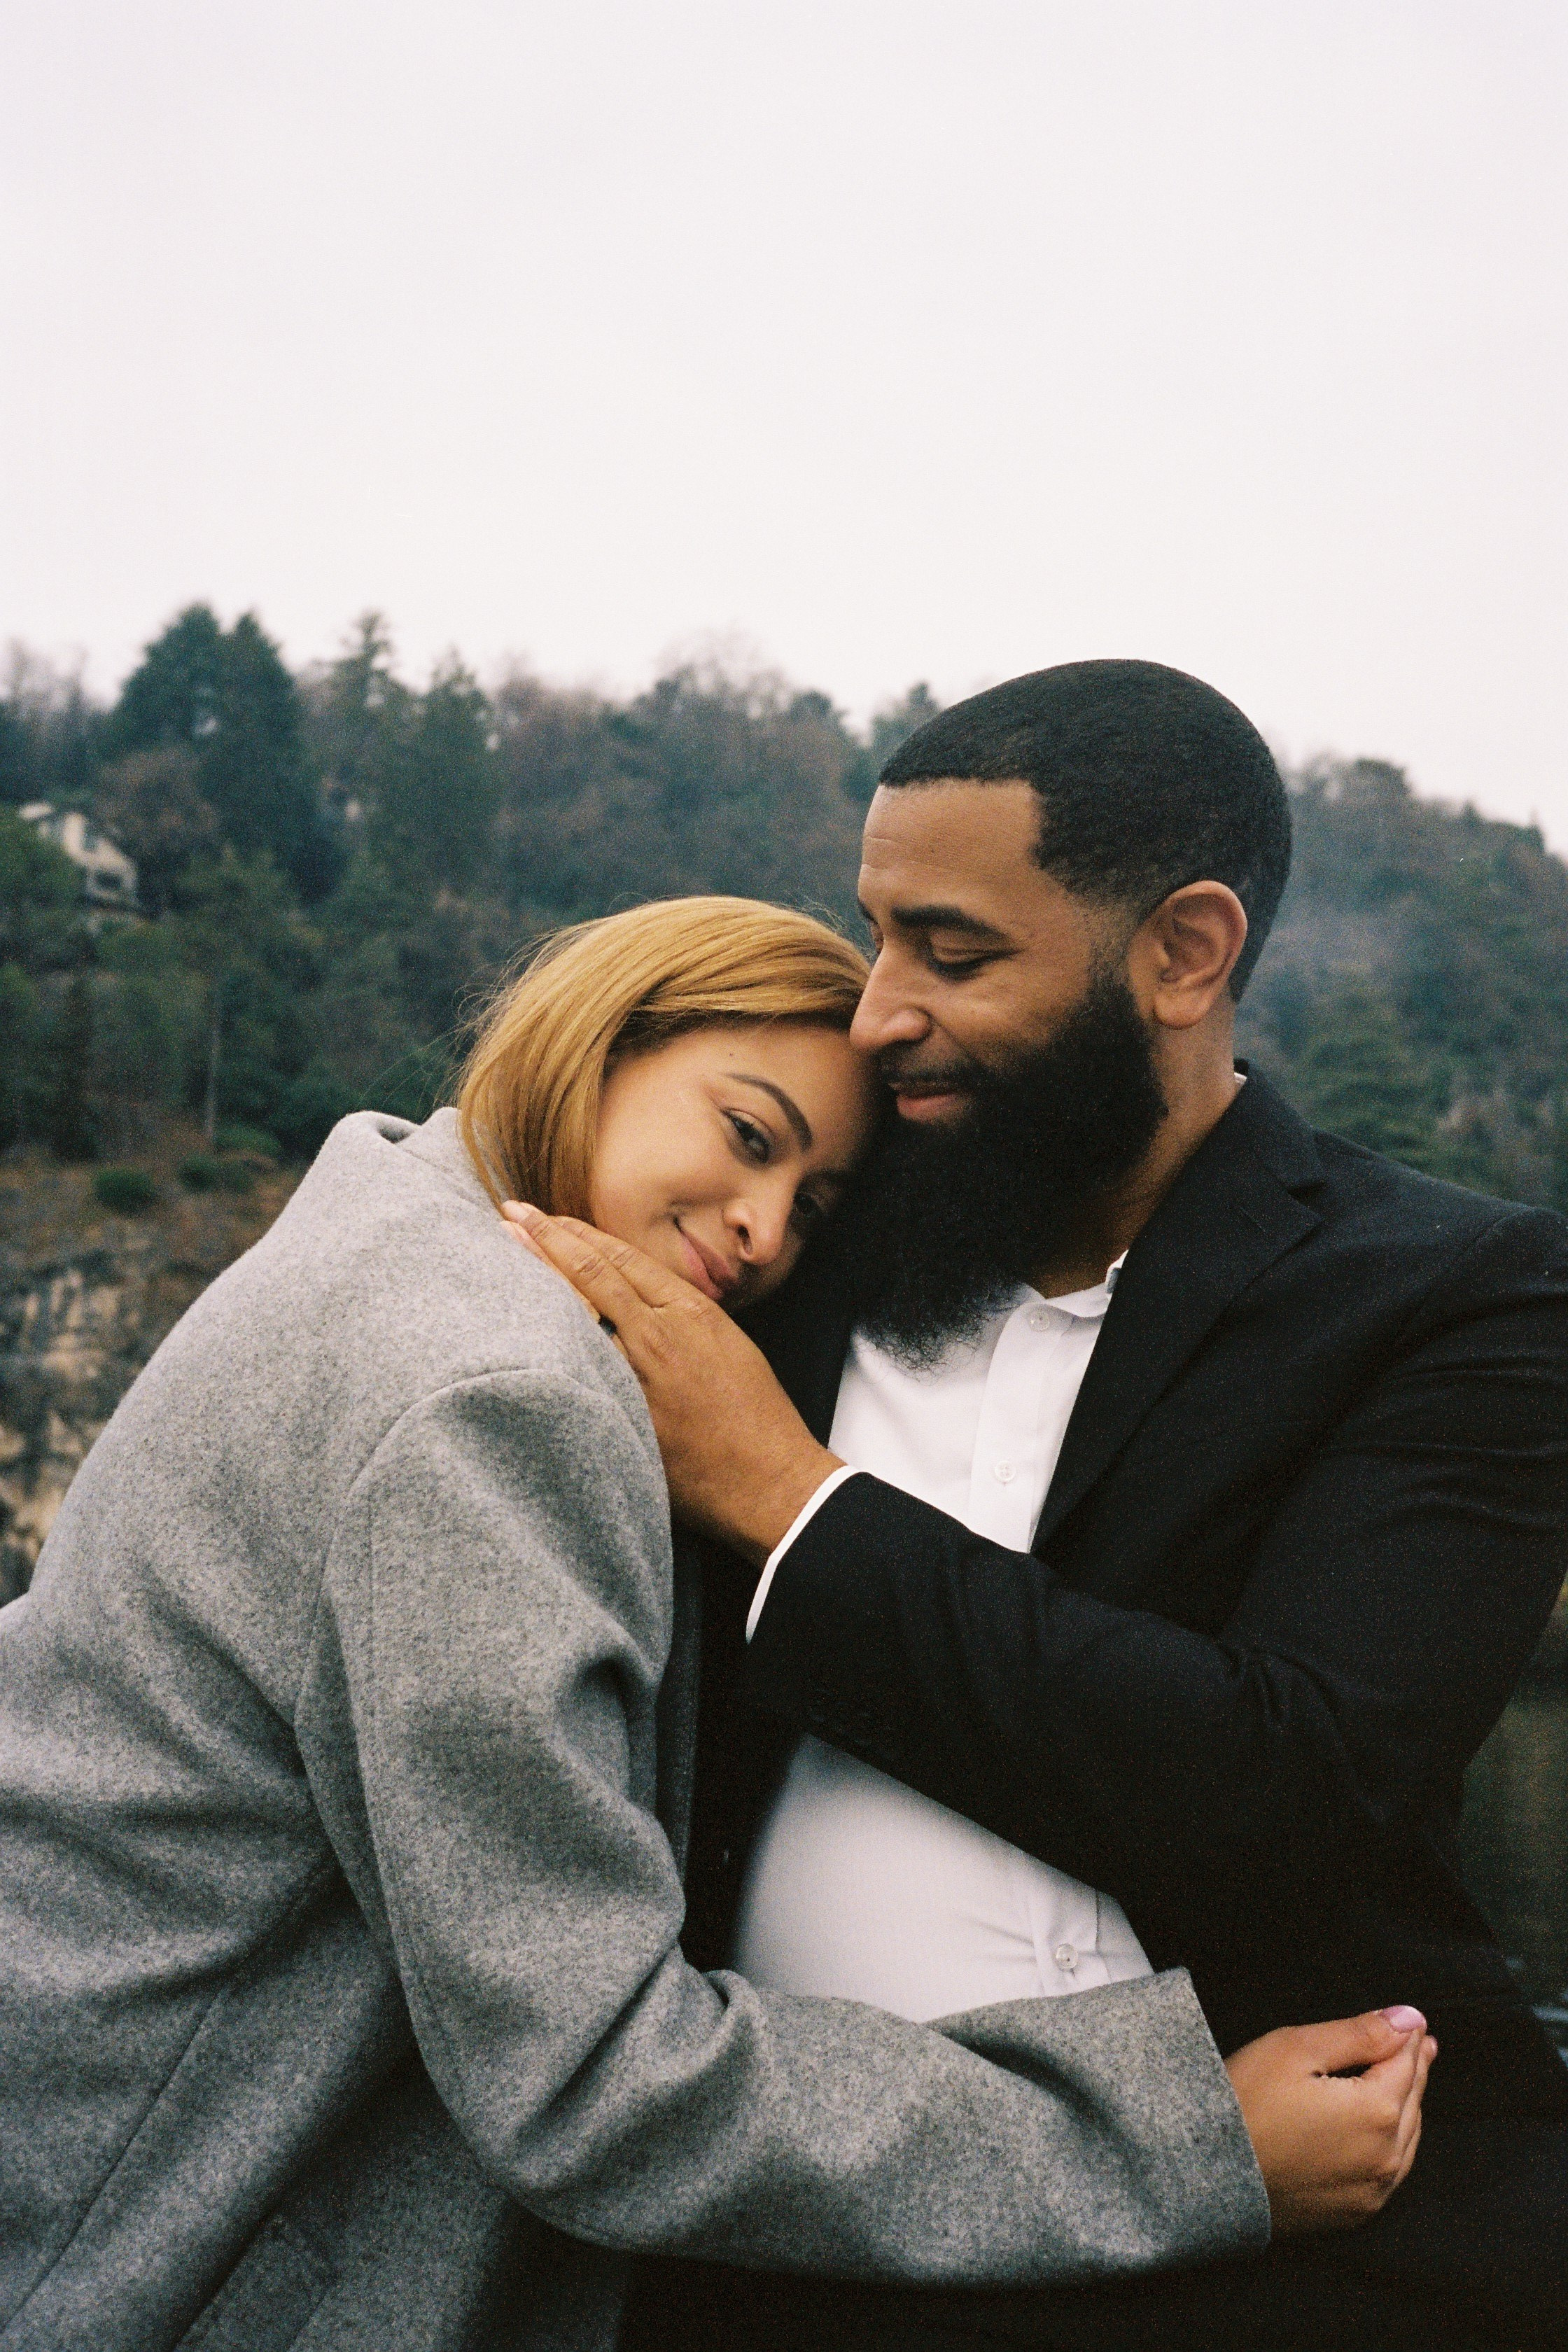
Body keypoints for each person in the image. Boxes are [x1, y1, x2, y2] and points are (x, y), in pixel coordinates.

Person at [0, 894, 1422, 2352]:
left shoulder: (397, 1226)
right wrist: (1184, 2147)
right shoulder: (489, 1398)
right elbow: (595, 2078)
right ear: (600, 1042)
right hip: (147, 2265)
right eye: (747, 1136)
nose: (759, 1229)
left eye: (813, 1205)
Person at [511, 667, 1568, 2351]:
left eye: (954, 951)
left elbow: (1286, 1780)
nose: (876, 1013)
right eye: (877, 938)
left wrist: (792, 1508)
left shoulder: (1459, 1297)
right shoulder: (790, 1231)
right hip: (772, 2256)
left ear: (1183, 952)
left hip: (1302, 2267)